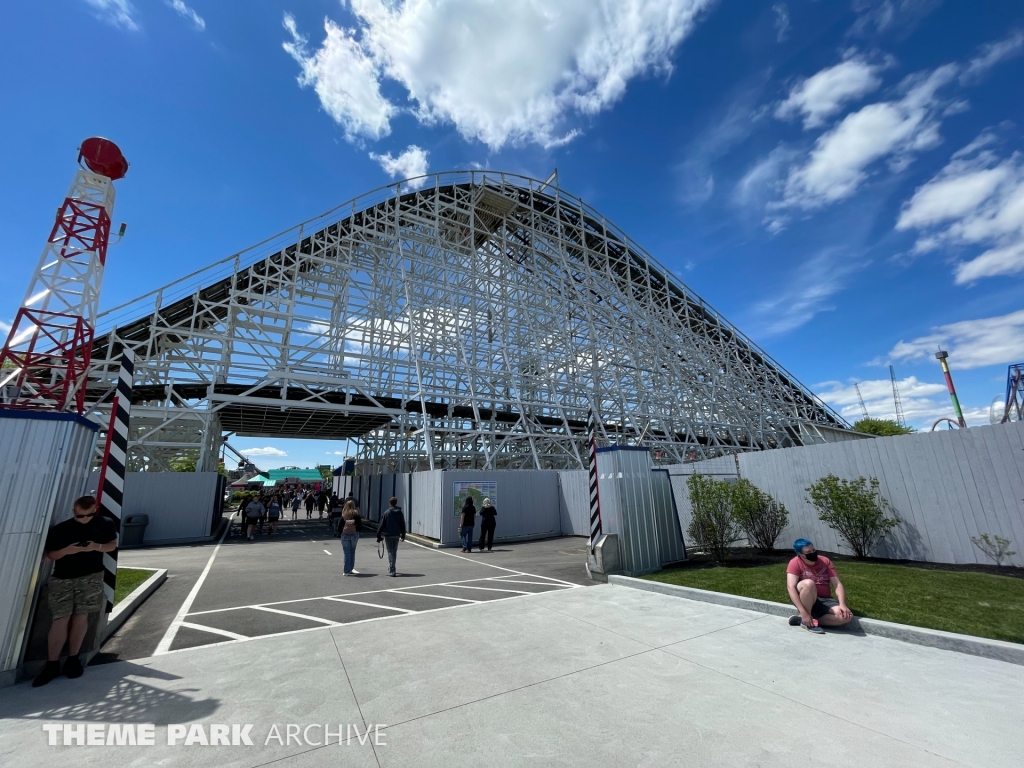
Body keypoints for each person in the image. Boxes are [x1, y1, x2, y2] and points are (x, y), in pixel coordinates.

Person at [32, 496, 118, 687]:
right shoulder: (62, 529)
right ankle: (52, 663)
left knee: (81, 616)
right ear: (74, 511)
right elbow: (50, 555)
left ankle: (73, 659)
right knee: (60, 619)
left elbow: (112, 544)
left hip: (92, 576)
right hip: (63, 577)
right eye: (80, 516)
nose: (85, 519)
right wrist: (67, 551)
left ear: (95, 509)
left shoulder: (105, 524)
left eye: (89, 515)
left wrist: (97, 547)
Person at [786, 539, 854, 633]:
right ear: (800, 554)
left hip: (825, 599)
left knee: (846, 617)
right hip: (805, 597)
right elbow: (791, 587)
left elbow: (837, 583)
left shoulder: (825, 561)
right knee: (809, 583)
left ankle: (805, 619)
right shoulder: (795, 563)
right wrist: (803, 612)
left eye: (813, 550)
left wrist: (842, 604)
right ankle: (807, 620)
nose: (812, 553)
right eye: (808, 552)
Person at [377, 497, 407, 576]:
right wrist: (403, 534)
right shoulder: (400, 513)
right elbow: (402, 524)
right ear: (396, 503)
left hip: (388, 534)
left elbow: (381, 524)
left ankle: (392, 568)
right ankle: (392, 566)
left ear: (390, 503)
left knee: (390, 551)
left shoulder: (387, 512)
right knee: (394, 551)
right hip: (396, 534)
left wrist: (378, 534)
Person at [339, 500, 363, 575]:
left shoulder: (344, 514)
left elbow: (340, 526)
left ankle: (346, 571)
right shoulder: (356, 514)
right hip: (354, 534)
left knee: (346, 552)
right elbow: (360, 526)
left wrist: (340, 533)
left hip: (345, 535)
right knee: (352, 551)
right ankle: (350, 568)